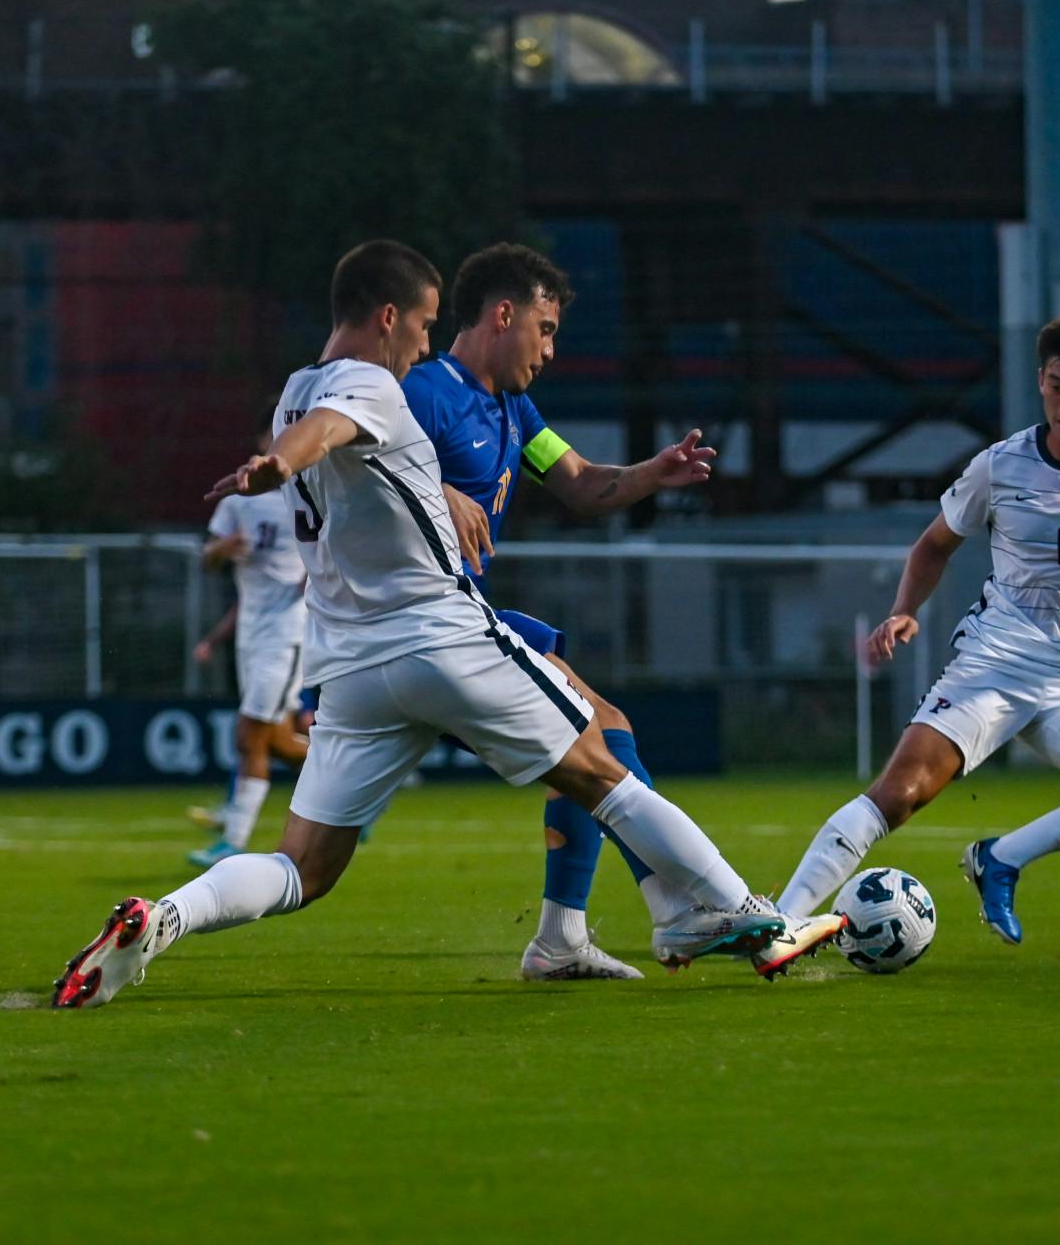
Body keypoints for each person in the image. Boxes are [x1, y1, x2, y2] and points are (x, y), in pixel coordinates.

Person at [51, 239, 783, 1009]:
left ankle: (163, 916)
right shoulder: (396, 384)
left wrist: (644, 474)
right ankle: (734, 909)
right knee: (603, 762)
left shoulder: (318, 390)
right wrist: (284, 466)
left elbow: (563, 479)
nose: (426, 342)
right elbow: (337, 427)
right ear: (393, 316)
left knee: (305, 866)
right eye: (423, 323)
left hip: (354, 667)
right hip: (439, 634)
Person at [408, 243, 844, 980]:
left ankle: (568, 936)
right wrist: (431, 485)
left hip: (461, 622)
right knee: (597, 740)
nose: (550, 350)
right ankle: (707, 911)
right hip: (428, 628)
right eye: (544, 329)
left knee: (601, 733)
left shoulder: (515, 408)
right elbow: (362, 461)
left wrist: (653, 472)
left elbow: (578, 481)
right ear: (502, 314)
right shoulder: (426, 393)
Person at [768, 314, 1060, 946]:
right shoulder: (1000, 466)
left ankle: (1002, 858)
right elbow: (933, 546)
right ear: (1041, 383)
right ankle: (777, 923)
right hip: (995, 663)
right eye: (1056, 386)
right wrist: (904, 609)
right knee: (901, 793)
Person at [187, 430, 312, 868]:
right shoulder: (237, 500)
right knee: (275, 740)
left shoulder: (307, 494)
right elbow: (208, 560)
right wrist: (223, 548)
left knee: (248, 734)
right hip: (251, 633)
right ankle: (358, 786)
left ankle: (232, 841)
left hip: (287, 631)